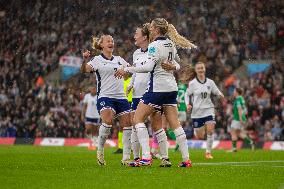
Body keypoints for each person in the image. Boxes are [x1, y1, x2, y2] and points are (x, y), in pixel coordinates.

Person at [115, 18, 196, 167]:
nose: (150, 29)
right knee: (175, 124)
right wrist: (173, 68)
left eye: (151, 27)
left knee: (137, 119)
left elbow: (148, 67)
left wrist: (127, 69)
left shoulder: (154, 45)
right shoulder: (170, 43)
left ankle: (146, 158)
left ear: (156, 30)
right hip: (171, 88)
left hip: (157, 88)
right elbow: (177, 63)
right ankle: (186, 160)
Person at [80, 34, 132, 166]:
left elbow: (131, 70)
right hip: (105, 96)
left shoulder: (120, 59)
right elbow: (84, 70)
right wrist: (84, 59)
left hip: (121, 97)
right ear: (102, 45)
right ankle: (100, 151)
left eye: (112, 41)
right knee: (108, 121)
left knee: (127, 124)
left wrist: (125, 70)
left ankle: (126, 158)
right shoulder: (97, 60)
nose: (111, 42)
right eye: (108, 41)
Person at [126, 23, 172, 167]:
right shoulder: (136, 53)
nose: (134, 36)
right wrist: (131, 83)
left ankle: (164, 157)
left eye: (137, 34)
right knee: (135, 124)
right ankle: (137, 157)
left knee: (156, 125)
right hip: (136, 93)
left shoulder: (155, 48)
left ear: (144, 37)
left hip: (151, 92)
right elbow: (136, 70)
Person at [185, 61, 224, 159]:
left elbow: (216, 91)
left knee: (210, 131)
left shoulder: (210, 82)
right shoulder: (192, 83)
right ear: (196, 70)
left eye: (202, 68)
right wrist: (187, 104)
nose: (201, 70)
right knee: (200, 136)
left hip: (208, 109)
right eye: (199, 68)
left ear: (204, 69)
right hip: (197, 112)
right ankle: (196, 132)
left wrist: (220, 94)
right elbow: (187, 94)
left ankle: (208, 153)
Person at [228, 87, 254, 152]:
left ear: (237, 92)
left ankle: (234, 149)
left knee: (233, 132)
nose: (233, 93)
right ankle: (251, 142)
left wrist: (240, 118)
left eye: (234, 91)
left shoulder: (238, 99)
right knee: (239, 133)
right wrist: (243, 117)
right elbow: (245, 110)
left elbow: (239, 109)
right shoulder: (242, 99)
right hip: (240, 118)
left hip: (237, 119)